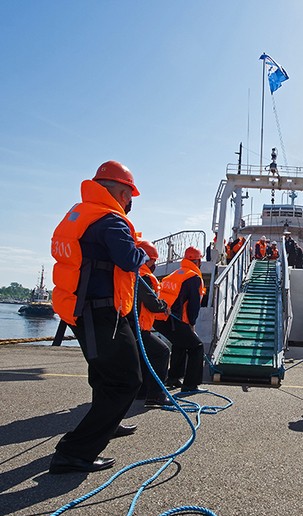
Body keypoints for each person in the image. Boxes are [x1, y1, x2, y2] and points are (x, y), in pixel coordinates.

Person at [49, 160, 147, 474]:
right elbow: (129, 259)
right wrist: (142, 249)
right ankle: (74, 452)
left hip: (81, 308)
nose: (130, 202)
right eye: (130, 195)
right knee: (125, 380)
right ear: (121, 191)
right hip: (102, 312)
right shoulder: (111, 221)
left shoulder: (80, 213)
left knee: (104, 374)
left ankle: (108, 424)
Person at [154, 246, 206, 393]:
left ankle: (173, 378)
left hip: (160, 318)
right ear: (198, 261)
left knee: (180, 343)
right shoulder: (194, 277)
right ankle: (190, 385)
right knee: (197, 347)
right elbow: (193, 304)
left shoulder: (176, 273)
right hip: (174, 319)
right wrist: (192, 323)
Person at [133, 240, 171, 407]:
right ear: (147, 259)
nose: (155, 264)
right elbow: (151, 303)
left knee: (143, 357)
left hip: (132, 326)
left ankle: (140, 392)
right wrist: (163, 306)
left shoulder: (132, 273)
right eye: (154, 261)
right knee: (162, 352)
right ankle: (155, 396)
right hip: (140, 327)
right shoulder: (145, 277)